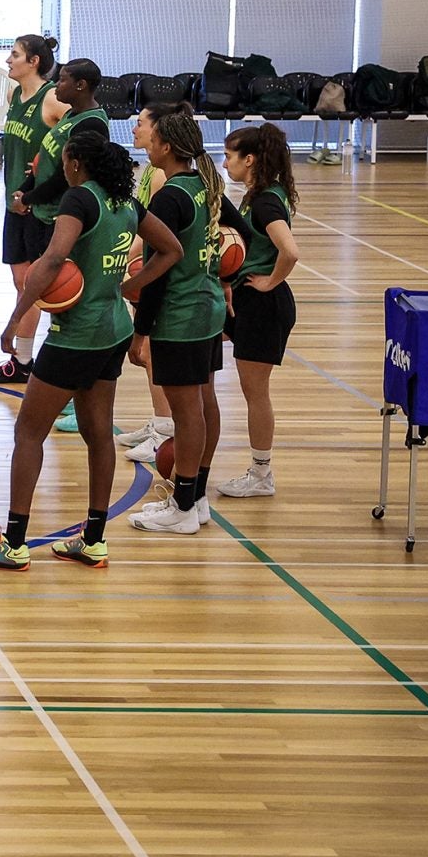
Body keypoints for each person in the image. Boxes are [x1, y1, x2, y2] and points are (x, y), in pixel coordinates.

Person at [0, 134, 178, 572]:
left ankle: (15, 542)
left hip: (75, 336)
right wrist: (128, 287)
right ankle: (94, 540)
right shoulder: (125, 203)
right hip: (114, 329)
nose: (61, 167)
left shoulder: (79, 199)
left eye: (63, 161)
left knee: (28, 432)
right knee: (98, 434)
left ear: (77, 164)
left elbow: (54, 259)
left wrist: (16, 315)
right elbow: (171, 249)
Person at [128, 103, 247, 538]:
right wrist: (223, 273)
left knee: (187, 413)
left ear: (167, 146)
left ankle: (180, 504)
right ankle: (195, 498)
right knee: (204, 402)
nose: (151, 144)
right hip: (208, 306)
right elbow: (242, 235)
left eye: (155, 138)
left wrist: (140, 331)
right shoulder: (205, 184)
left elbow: (158, 274)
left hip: (179, 314)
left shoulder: (170, 195)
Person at [10, 57, 113, 434]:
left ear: (82, 85)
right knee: (58, 301)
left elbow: (73, 177)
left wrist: (33, 195)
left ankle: (74, 393)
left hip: (62, 215)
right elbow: (55, 161)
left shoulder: (92, 124)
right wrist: (36, 171)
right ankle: (72, 392)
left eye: (65, 79)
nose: (58, 85)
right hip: (47, 211)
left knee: (65, 297)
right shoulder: (72, 115)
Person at [218, 123, 301, 499]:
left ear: (249, 159)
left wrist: (269, 281)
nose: (225, 162)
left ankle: (261, 474)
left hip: (264, 303)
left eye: (229, 156)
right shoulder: (262, 193)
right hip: (248, 299)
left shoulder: (266, 200)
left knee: (256, 393)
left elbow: (290, 250)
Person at [0, 33, 63, 385]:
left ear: (34, 62)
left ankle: (32, 358)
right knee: (20, 281)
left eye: (14, 55)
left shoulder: (54, 98)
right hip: (13, 201)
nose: (8, 60)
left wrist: (49, 161)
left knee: (36, 284)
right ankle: (24, 360)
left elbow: (77, 138)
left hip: (41, 205)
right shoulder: (14, 95)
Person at [118, 106, 176, 465]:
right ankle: (159, 422)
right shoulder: (151, 170)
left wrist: (127, 258)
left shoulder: (159, 178)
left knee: (153, 351)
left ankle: (164, 432)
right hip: (145, 262)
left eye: (141, 123)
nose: (134, 127)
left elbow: (156, 234)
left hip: (154, 269)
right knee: (151, 353)